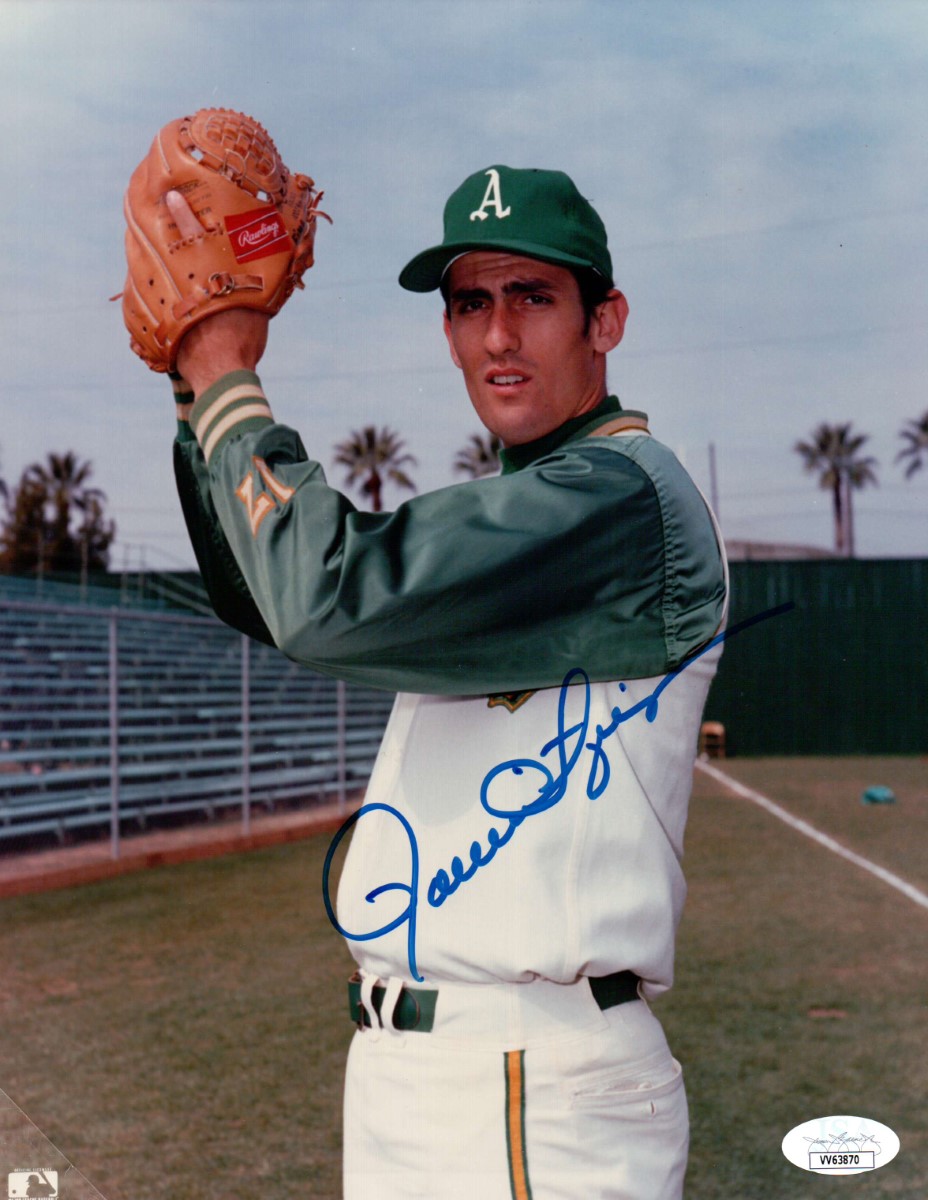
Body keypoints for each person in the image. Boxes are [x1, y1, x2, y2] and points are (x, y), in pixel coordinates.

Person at [167, 164, 727, 1200]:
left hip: (528, 1082)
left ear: (605, 320)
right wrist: (196, 392)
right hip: (432, 1073)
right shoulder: (529, 505)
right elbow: (268, 600)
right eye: (471, 303)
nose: (498, 336)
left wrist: (227, 372)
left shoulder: (618, 498)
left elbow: (324, 597)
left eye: (533, 298)